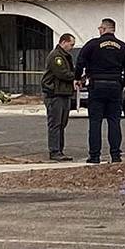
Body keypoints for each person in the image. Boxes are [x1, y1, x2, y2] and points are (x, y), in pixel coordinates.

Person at [75, 18, 125, 164]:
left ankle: (94, 156)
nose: (99, 30)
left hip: (97, 85)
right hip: (114, 86)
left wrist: (77, 78)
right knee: (114, 121)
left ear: (104, 29)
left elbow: (80, 61)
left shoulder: (93, 44)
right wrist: (123, 84)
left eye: (100, 28)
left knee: (95, 122)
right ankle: (115, 155)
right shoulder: (123, 46)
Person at [42, 33, 76, 161]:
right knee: (55, 123)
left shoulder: (65, 56)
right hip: (54, 94)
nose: (72, 47)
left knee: (62, 123)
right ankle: (55, 151)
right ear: (64, 42)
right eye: (71, 44)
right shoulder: (56, 56)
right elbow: (62, 74)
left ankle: (59, 150)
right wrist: (76, 75)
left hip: (63, 93)